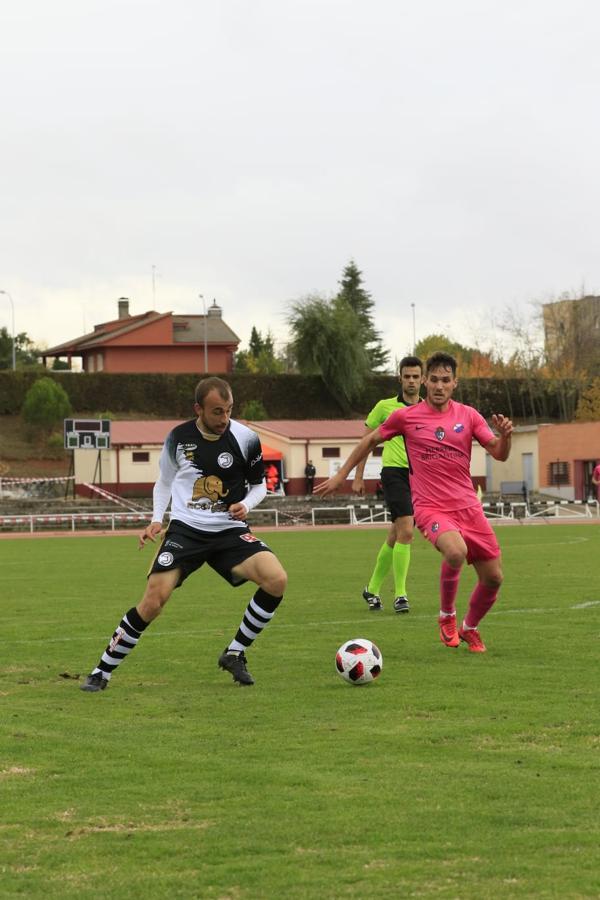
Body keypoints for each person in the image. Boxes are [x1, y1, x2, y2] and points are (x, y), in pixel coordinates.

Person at [80, 376, 287, 691]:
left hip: (229, 531)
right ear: (198, 409)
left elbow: (259, 485)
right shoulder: (178, 438)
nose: (224, 419)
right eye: (217, 411)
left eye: (229, 410)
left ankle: (235, 652)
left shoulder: (246, 439)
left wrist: (246, 504)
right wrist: (155, 519)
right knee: (153, 600)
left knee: (277, 580)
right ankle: (101, 671)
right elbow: (164, 482)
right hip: (186, 531)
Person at [315, 351, 513, 653]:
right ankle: (446, 616)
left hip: (468, 507)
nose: (438, 385)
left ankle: (470, 628)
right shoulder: (406, 417)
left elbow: (498, 453)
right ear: (424, 381)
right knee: (455, 552)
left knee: (494, 577)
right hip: (431, 507)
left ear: (454, 383)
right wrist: (343, 474)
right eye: (433, 379)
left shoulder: (469, 415)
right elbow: (370, 439)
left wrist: (506, 437)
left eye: (445, 380)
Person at [352, 356, 423, 614]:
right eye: (407, 376)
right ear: (400, 378)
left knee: (396, 535)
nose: (412, 381)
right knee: (406, 531)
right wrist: (358, 477)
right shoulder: (385, 407)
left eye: (416, 376)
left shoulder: (428, 410)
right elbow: (367, 442)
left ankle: (371, 589)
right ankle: (401, 594)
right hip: (394, 473)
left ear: (423, 379)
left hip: (420, 476)